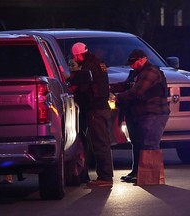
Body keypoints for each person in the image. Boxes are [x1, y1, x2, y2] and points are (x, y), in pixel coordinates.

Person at [114, 49, 170, 183]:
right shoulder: (137, 73)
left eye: (134, 62)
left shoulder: (151, 72)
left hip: (154, 113)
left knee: (149, 144)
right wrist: (112, 88)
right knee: (137, 143)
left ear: (143, 59)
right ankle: (137, 172)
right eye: (131, 63)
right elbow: (128, 85)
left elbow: (138, 91)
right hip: (141, 113)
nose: (132, 66)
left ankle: (149, 176)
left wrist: (118, 97)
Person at [69, 42, 113, 187]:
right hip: (104, 108)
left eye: (75, 57)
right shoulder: (99, 63)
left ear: (78, 54)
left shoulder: (89, 67)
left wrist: (73, 90)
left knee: (99, 143)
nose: (75, 60)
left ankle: (104, 178)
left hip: (95, 109)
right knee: (104, 142)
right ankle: (106, 176)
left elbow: (83, 88)